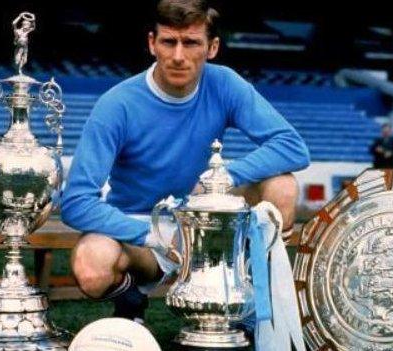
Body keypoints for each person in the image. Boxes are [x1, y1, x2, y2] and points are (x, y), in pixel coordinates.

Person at [60, 0, 310, 323]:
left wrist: (224, 175)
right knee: (91, 264)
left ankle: (250, 301)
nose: (178, 56)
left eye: (191, 43)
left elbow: (292, 147)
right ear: (152, 43)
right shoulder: (116, 105)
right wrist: (152, 237)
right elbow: (76, 202)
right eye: (169, 42)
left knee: (283, 187)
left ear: (212, 48)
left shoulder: (224, 84)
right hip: (141, 233)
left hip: (206, 221)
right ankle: (130, 300)